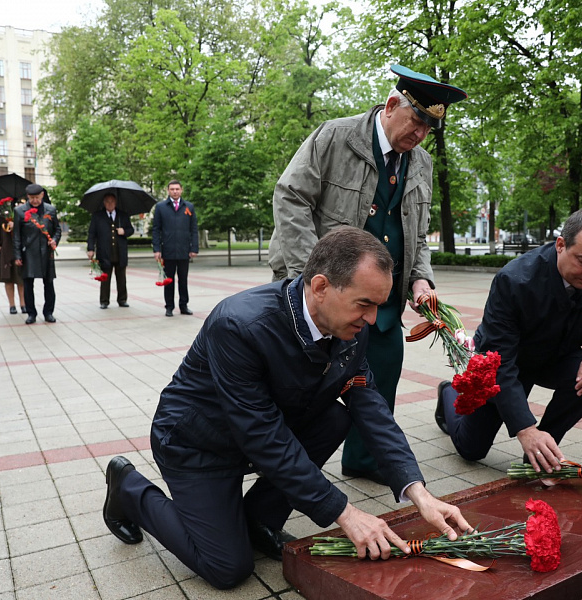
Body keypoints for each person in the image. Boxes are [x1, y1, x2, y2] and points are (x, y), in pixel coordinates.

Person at [102, 228, 471, 590]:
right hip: (198, 442)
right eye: (364, 304)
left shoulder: (352, 327)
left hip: (264, 428)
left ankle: (257, 518)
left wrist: (419, 493)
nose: (372, 319)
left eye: (378, 305)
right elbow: (262, 434)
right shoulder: (239, 325)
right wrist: (346, 513)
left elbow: (369, 405)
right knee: (227, 568)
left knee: (334, 419)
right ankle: (129, 490)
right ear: (322, 287)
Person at [268, 64, 467, 485]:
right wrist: (311, 278)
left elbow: (417, 233)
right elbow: (290, 197)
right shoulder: (336, 136)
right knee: (302, 385)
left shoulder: (422, 164)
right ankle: (283, 473)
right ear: (392, 105)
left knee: (383, 374)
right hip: (324, 294)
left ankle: (364, 459)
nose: (420, 134)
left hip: (383, 300)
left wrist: (420, 280)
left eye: (430, 128)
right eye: (416, 121)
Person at [435, 208, 582, 474]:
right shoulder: (514, 281)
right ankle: (448, 392)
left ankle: (542, 452)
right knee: (471, 449)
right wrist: (525, 429)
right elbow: (502, 363)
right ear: (561, 245)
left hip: (555, 356)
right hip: (503, 361)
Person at [13, 183, 61, 324]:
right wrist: (17, 255)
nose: (35, 201)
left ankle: (48, 312)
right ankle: (31, 313)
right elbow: (16, 235)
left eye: (37, 197)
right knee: (28, 285)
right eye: (32, 198)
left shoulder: (50, 210)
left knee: (49, 283)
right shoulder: (20, 211)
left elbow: (57, 229)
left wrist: (54, 240)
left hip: (46, 252)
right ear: (27, 197)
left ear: (42, 195)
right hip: (28, 252)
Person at [152, 179, 198, 316]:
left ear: (181, 190)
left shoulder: (188, 207)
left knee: (183, 279)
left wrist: (194, 248)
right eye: (172, 189)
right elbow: (156, 229)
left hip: (184, 250)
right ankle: (169, 306)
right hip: (168, 250)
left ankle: (183, 305)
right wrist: (157, 249)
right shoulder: (161, 207)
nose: (175, 191)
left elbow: (194, 229)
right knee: (169, 280)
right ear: (168, 191)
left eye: (177, 189)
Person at [87, 193, 135, 309]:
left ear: (116, 202)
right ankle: (104, 301)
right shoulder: (97, 216)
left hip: (120, 252)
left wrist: (124, 231)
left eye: (112, 201)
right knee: (105, 278)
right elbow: (92, 234)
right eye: (107, 201)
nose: (110, 204)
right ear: (104, 203)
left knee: (121, 278)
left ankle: (122, 299)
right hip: (104, 252)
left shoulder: (122, 215)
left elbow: (131, 229)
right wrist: (90, 248)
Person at [0, 198, 25, 314]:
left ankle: (23, 304)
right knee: (8, 279)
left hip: (21, 252)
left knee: (21, 280)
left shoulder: (25, 216)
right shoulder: (1, 218)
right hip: (6, 253)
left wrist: (17, 226)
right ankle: (12, 305)